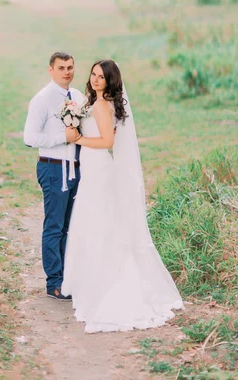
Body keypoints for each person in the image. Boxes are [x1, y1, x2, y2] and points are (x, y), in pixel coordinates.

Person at [62, 60, 184, 332]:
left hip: (99, 167)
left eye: (101, 77)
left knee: (100, 222)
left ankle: (107, 282)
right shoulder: (96, 102)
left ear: (110, 81)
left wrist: (77, 139)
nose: (95, 80)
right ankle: (93, 280)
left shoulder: (102, 106)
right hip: (93, 168)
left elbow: (107, 142)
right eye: (93, 74)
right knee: (95, 222)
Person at [23, 52, 82, 300]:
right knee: (55, 226)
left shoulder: (77, 96)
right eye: (61, 68)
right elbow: (30, 138)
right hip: (53, 167)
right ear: (51, 70)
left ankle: (69, 277)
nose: (66, 72)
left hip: (76, 167)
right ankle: (54, 282)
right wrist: (62, 138)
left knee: (70, 226)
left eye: (70, 67)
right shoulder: (42, 100)